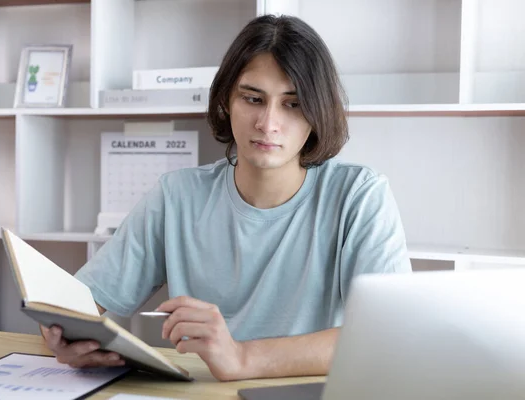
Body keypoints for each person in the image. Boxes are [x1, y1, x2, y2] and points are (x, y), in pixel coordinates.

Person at [41, 14, 412, 381]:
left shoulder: (359, 196)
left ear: (318, 112)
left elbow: (389, 337)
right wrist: (61, 333)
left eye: (292, 104)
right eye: (253, 98)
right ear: (226, 101)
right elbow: (76, 305)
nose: (267, 123)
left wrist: (243, 357)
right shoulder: (177, 196)